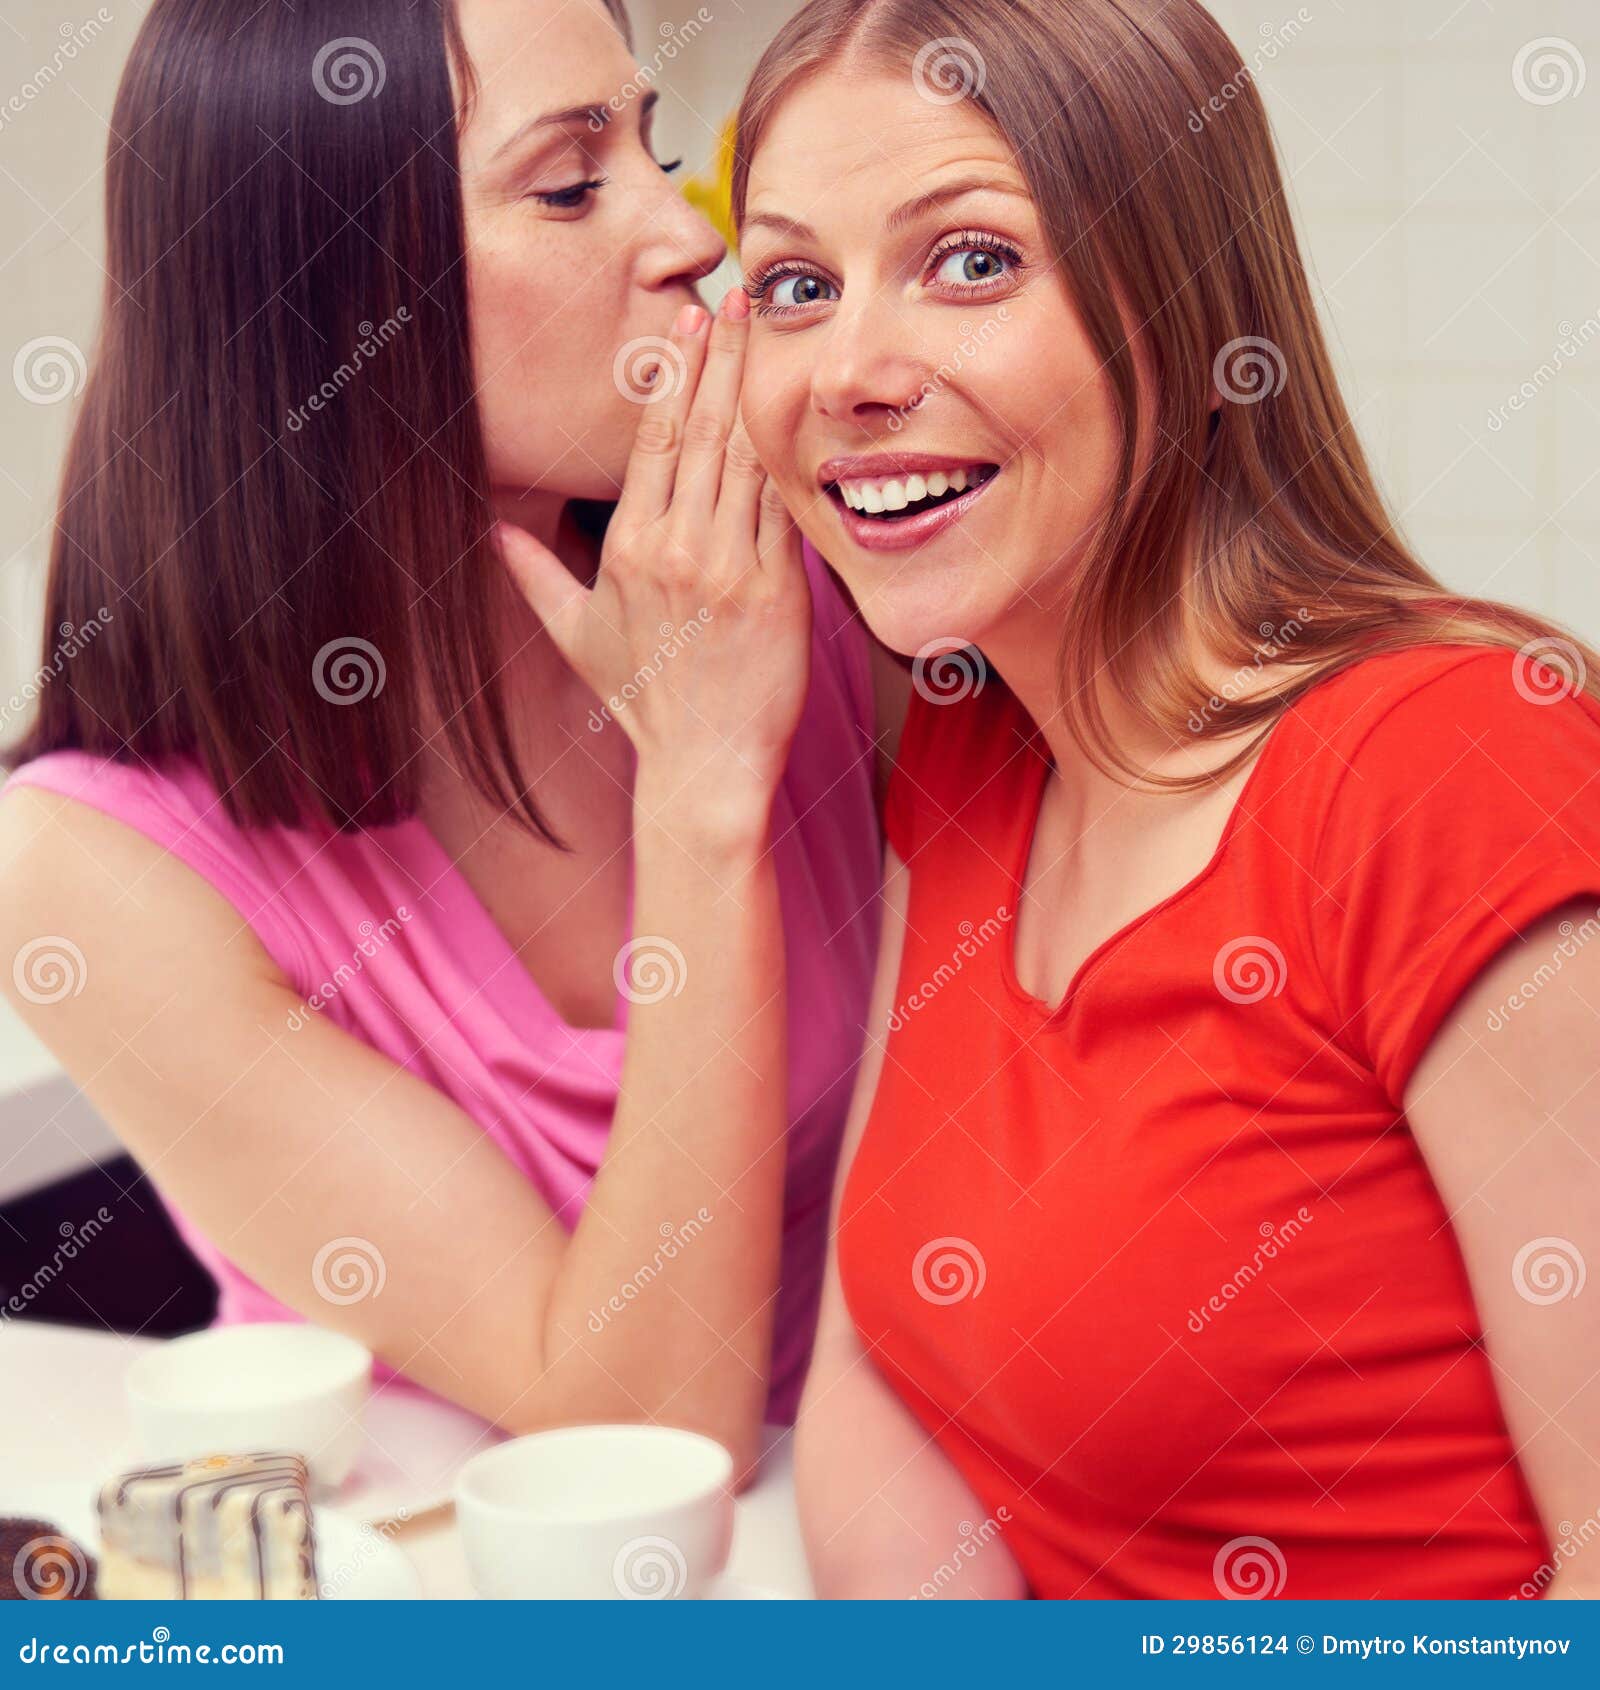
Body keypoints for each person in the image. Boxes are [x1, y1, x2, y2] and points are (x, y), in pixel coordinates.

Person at [733, 0, 1600, 1594]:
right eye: (795, 284)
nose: (846, 371)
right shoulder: (970, 742)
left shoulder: (1450, 766)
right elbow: (874, 1368)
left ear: (1200, 324)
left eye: (972, 260)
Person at [0, 0, 897, 1480]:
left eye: (657, 155)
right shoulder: (88, 868)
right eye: (568, 183)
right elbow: (641, 1440)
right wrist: (703, 785)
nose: (686, 239)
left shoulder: (815, 589)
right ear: (326, 298)